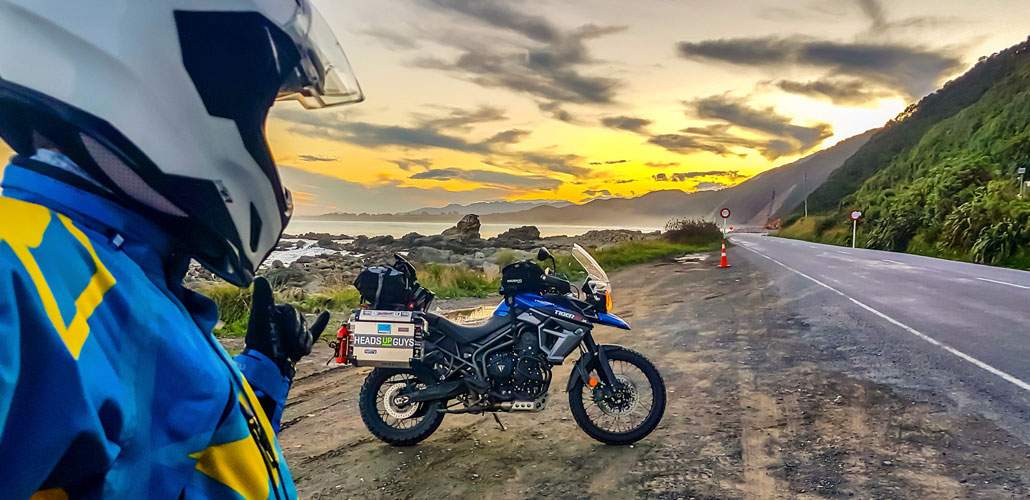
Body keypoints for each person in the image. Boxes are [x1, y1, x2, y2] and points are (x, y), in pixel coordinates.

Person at [0, 0, 364, 497]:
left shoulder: (114, 264)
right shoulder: (16, 271)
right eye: (262, 108)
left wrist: (264, 371)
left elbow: (168, 456)